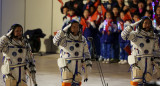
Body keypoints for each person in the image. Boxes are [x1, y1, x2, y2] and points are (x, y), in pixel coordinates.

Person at [121, 17, 160, 86]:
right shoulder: (135, 35)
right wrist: (131, 26)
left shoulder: (154, 36)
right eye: (145, 23)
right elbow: (124, 36)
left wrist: (157, 63)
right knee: (137, 80)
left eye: (149, 23)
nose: (148, 25)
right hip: (138, 62)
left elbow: (156, 51)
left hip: (149, 62)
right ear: (141, 24)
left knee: (146, 80)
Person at [53, 20, 92, 86]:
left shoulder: (82, 39)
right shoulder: (65, 39)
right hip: (67, 64)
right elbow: (55, 41)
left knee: (77, 81)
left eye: (77, 27)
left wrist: (88, 63)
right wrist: (63, 31)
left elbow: (86, 52)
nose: (76, 28)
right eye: (73, 27)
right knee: (67, 81)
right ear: (69, 28)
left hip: (78, 63)